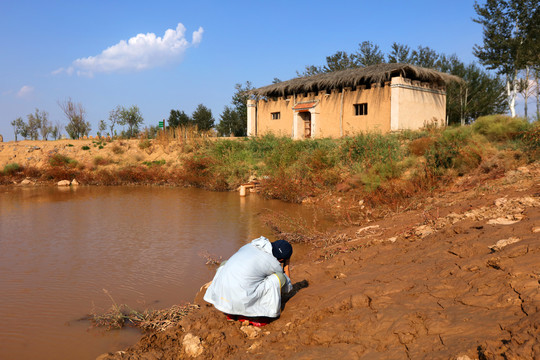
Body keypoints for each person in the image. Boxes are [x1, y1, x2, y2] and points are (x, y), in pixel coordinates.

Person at [203, 236, 293, 327]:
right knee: (280, 277)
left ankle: (231, 312)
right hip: (240, 300)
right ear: (281, 260)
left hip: (222, 297)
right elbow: (288, 288)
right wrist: (286, 266)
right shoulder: (274, 263)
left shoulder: (250, 245)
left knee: (226, 263)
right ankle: (251, 314)